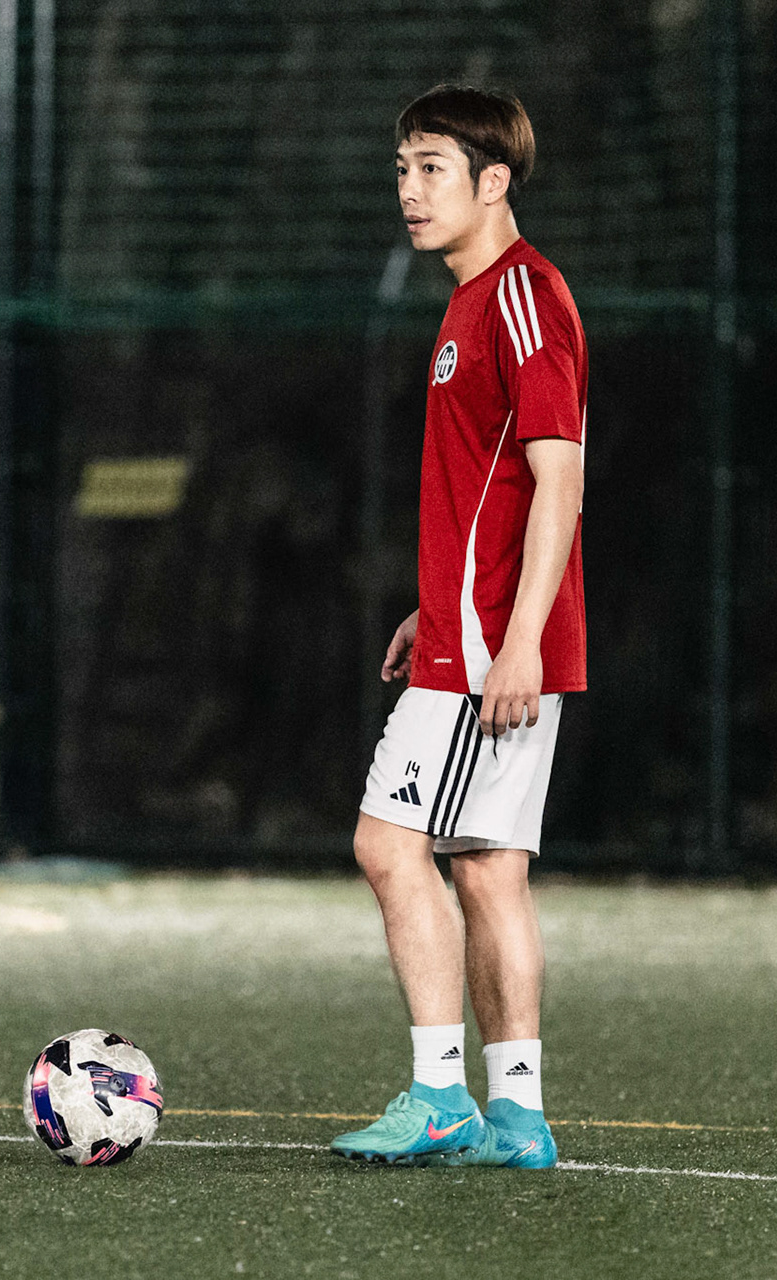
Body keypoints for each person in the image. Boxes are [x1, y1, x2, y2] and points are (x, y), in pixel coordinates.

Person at [330, 85, 587, 1170]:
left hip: (491, 645)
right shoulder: (471, 302)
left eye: (432, 167)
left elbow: (559, 478)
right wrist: (430, 603)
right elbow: (491, 496)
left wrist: (516, 635)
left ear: (495, 182)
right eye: (401, 167)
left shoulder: (521, 296)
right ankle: (517, 1115)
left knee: (390, 844)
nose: (408, 189)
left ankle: (440, 1093)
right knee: (485, 868)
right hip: (468, 625)